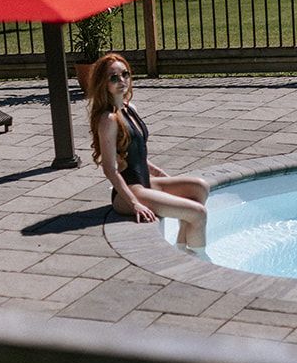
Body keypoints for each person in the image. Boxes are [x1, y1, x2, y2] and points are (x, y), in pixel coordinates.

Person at [87, 53, 209, 249]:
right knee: (198, 213)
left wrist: (162, 175)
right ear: (103, 83)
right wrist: (134, 203)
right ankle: (198, 262)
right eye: (113, 77)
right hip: (129, 193)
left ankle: (182, 246)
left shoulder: (129, 108)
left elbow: (137, 154)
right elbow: (110, 169)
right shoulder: (108, 120)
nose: (121, 81)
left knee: (200, 188)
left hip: (146, 182)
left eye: (125, 74)